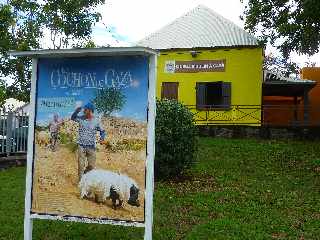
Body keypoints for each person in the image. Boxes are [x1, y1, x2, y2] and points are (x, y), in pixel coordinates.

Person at [71, 102, 106, 182]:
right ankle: (81, 183)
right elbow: (72, 118)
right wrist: (76, 111)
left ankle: (85, 175)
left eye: (85, 109)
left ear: (90, 110)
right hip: (81, 146)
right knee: (80, 165)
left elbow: (102, 131)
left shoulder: (96, 120)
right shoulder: (81, 118)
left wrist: (102, 138)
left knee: (91, 166)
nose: (83, 111)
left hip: (91, 146)